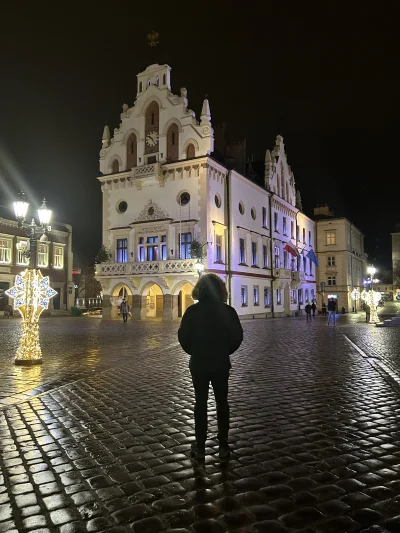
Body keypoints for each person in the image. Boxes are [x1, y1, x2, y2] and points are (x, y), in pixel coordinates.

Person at [178, 273, 243, 461]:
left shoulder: (192, 311)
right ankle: (223, 445)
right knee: (222, 402)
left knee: (200, 403)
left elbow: (183, 336)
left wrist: (195, 351)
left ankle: (199, 446)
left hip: (199, 362)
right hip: (221, 362)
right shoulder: (228, 311)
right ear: (221, 290)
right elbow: (237, 336)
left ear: (200, 290)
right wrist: (225, 351)